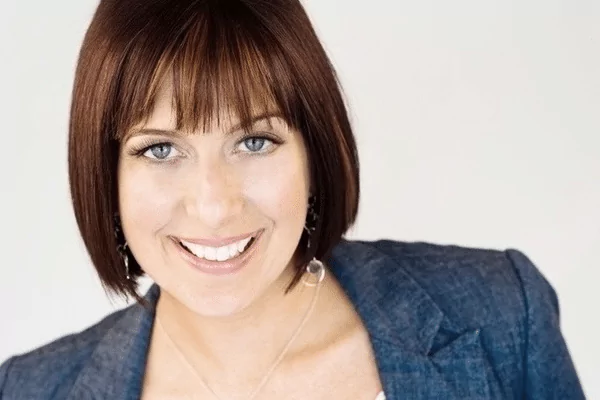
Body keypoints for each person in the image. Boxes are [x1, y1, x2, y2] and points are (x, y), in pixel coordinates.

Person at [0, 0, 585, 399]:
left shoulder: (502, 314)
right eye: (160, 149)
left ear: (315, 151)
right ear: (106, 175)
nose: (214, 205)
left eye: (254, 141)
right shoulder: (27, 390)